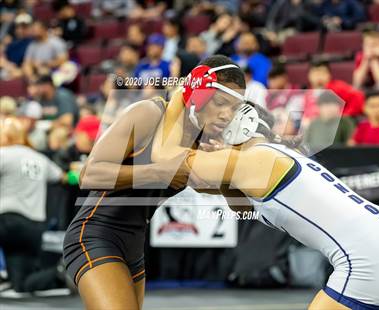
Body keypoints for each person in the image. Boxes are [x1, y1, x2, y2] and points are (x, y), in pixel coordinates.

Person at [165, 101, 379, 309]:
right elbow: (240, 205)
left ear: (238, 130)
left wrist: (178, 100)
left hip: (371, 255)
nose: (212, 141)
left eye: (217, 131)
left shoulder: (255, 160)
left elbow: (171, 163)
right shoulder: (276, 156)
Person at [63, 55, 246, 310]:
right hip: (95, 235)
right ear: (199, 93)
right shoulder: (148, 113)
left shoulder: (198, 141)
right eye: (221, 102)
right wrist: (159, 171)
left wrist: (229, 169)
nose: (227, 115)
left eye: (234, 108)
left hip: (135, 248)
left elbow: (236, 203)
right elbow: (89, 174)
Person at [0, 117, 63, 292]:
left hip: (8, 221)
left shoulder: (4, 154)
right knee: (21, 284)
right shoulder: (40, 158)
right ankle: (60, 272)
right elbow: (60, 176)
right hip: (34, 227)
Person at [302, 60, 364, 127]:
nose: (318, 76)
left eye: (322, 73)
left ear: (329, 74)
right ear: (309, 76)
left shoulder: (338, 87)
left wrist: (344, 116)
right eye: (315, 73)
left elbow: (358, 97)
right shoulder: (307, 93)